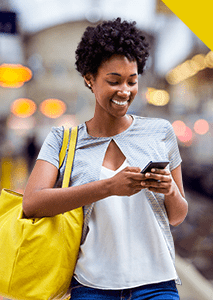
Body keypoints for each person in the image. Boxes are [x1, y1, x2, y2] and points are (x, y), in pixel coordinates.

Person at [23, 18, 188, 300]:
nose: (124, 91)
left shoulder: (160, 132)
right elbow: (32, 203)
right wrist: (108, 187)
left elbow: (177, 216)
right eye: (114, 81)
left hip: (158, 285)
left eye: (132, 81)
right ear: (89, 79)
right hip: (92, 286)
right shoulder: (62, 139)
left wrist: (170, 189)